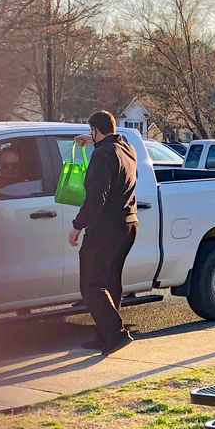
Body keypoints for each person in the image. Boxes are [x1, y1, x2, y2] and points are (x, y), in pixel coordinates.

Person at [69, 110, 138, 356]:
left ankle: (115, 333)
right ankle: (105, 336)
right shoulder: (128, 150)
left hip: (106, 227)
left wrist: (78, 225)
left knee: (90, 284)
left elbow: (96, 198)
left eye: (91, 132)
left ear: (95, 131)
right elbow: (113, 142)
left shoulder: (102, 156)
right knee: (110, 282)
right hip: (129, 224)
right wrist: (91, 140)